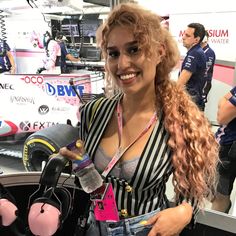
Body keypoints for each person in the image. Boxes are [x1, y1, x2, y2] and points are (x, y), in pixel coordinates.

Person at [60, 3, 219, 236]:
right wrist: (76, 162)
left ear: (159, 52)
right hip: (95, 226)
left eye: (134, 50)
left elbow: (194, 191)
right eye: (113, 53)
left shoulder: (180, 120)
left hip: (148, 229)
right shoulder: (92, 112)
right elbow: (90, 178)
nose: (122, 64)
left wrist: (185, 211)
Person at [211, 87, 236, 213]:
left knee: (219, 195)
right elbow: (223, 98)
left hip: (229, 148)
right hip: (227, 147)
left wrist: (224, 105)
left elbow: (222, 117)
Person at [178, 23, 207, 111]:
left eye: (187, 35)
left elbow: (181, 82)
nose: (183, 37)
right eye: (184, 34)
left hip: (191, 103)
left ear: (196, 40)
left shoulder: (195, 53)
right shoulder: (196, 52)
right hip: (192, 101)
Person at [200, 30, 216, 104]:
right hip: (196, 84)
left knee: (199, 108)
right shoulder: (197, 50)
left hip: (203, 84)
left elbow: (205, 69)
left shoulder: (209, 53)